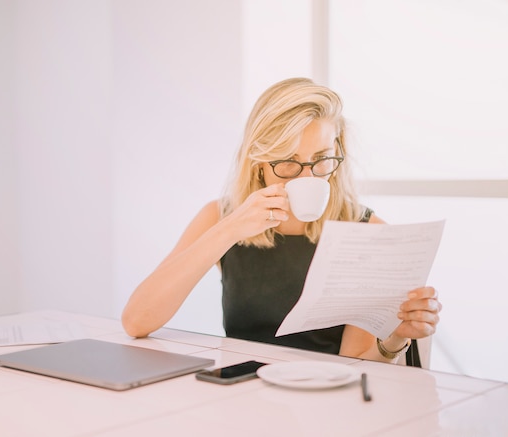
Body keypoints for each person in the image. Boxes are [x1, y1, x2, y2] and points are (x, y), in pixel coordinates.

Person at [122, 77, 441, 363]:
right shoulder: (219, 217)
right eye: (288, 163)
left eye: (321, 160)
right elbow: (137, 321)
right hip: (241, 397)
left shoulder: (366, 233)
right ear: (258, 161)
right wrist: (230, 228)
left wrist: (396, 338)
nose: (307, 177)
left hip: (323, 405)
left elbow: (356, 363)